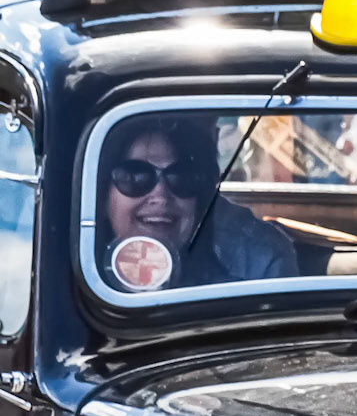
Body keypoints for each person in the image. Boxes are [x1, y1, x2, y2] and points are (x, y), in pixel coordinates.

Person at [100, 116, 296, 289]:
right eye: (136, 176)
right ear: (101, 195)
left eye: (182, 176)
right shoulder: (71, 272)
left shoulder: (256, 264)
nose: (160, 195)